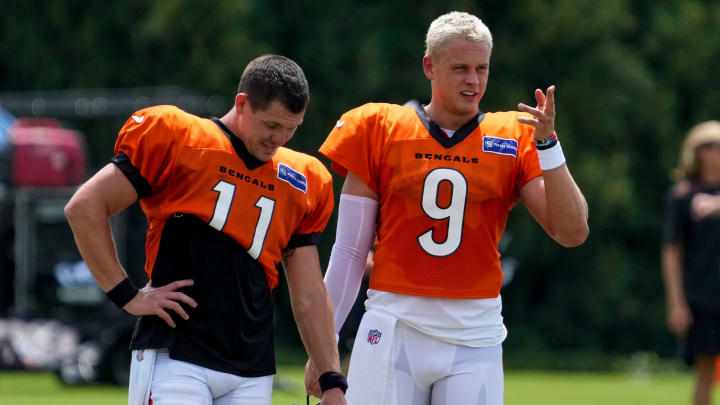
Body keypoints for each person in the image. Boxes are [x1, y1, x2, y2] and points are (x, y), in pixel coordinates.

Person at [306, 11, 589, 405]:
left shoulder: (515, 133)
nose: (473, 80)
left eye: (481, 68)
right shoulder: (379, 126)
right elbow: (351, 252)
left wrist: (549, 145)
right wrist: (326, 346)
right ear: (429, 66)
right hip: (394, 323)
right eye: (460, 68)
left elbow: (572, 231)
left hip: (475, 333)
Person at [64, 54, 347, 405]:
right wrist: (127, 295)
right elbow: (85, 207)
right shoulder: (180, 137)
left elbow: (308, 290)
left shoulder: (304, 179)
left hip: (252, 367)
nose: (280, 139)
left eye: (292, 128)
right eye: (272, 125)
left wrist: (330, 375)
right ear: (242, 103)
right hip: (176, 353)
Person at [661, 121, 720, 405]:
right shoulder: (682, 196)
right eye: (710, 146)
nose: (717, 152)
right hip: (703, 294)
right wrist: (676, 303)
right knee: (705, 371)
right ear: (697, 152)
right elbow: (671, 251)